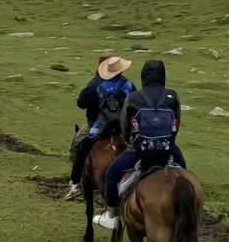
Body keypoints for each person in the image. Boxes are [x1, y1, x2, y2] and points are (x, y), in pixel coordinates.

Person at [99, 59, 186, 229]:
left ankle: (112, 216)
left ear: (143, 76)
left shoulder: (133, 97)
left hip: (138, 150)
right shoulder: (172, 96)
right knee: (185, 177)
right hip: (168, 149)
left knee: (110, 174)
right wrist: (168, 142)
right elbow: (177, 123)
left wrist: (130, 142)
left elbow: (125, 126)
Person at [64, 54, 133, 200]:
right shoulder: (128, 84)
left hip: (98, 126)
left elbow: (81, 103)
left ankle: (75, 184)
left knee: (79, 147)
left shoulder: (96, 84)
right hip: (122, 128)